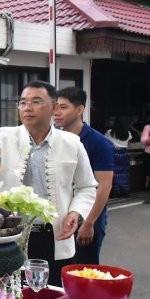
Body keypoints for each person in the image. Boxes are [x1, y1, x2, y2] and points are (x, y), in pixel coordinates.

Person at [0, 81, 97, 286]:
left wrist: (76, 213)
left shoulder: (71, 143)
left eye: (36, 101)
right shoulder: (5, 136)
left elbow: (87, 186)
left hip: (55, 236)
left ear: (53, 107)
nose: (27, 108)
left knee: (52, 294)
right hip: (11, 235)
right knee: (9, 293)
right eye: (23, 102)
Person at [53, 87, 114, 265]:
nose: (56, 112)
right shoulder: (52, 138)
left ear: (79, 109)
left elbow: (104, 186)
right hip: (59, 216)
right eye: (55, 107)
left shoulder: (99, 143)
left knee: (83, 270)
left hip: (86, 216)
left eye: (63, 107)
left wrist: (89, 223)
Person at [105, 118, 132, 197]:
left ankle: (115, 191)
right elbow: (128, 144)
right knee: (124, 172)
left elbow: (105, 142)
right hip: (124, 154)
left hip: (113, 153)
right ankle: (124, 190)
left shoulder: (109, 132)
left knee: (114, 173)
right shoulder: (128, 133)